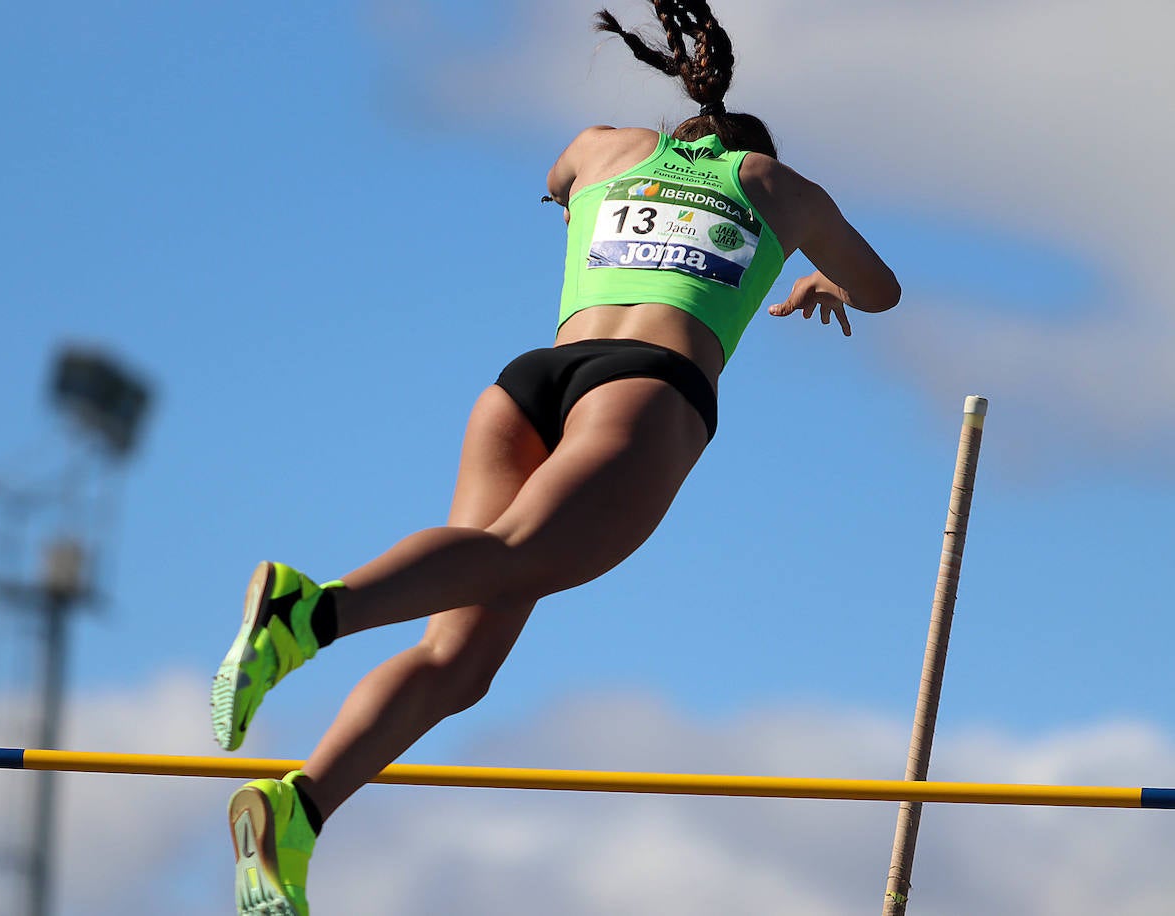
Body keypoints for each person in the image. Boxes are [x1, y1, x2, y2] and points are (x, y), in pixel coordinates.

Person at [214, 1, 900, 913]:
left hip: (529, 383)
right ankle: (313, 611)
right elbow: (882, 289)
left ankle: (297, 807)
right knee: (517, 557)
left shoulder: (600, 144)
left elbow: (558, 182)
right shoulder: (778, 185)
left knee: (460, 658)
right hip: (647, 384)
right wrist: (813, 274)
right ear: (748, 146)